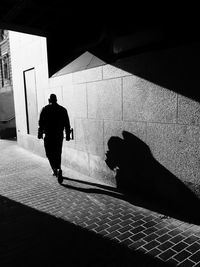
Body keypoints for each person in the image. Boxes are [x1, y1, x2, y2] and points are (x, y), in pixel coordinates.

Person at [38, 94, 71, 180]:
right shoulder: (63, 110)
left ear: (49, 100)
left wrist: (40, 133)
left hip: (49, 135)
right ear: (56, 100)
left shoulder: (45, 109)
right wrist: (67, 135)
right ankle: (58, 168)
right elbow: (67, 124)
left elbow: (40, 123)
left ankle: (55, 169)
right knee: (57, 153)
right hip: (59, 135)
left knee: (49, 153)